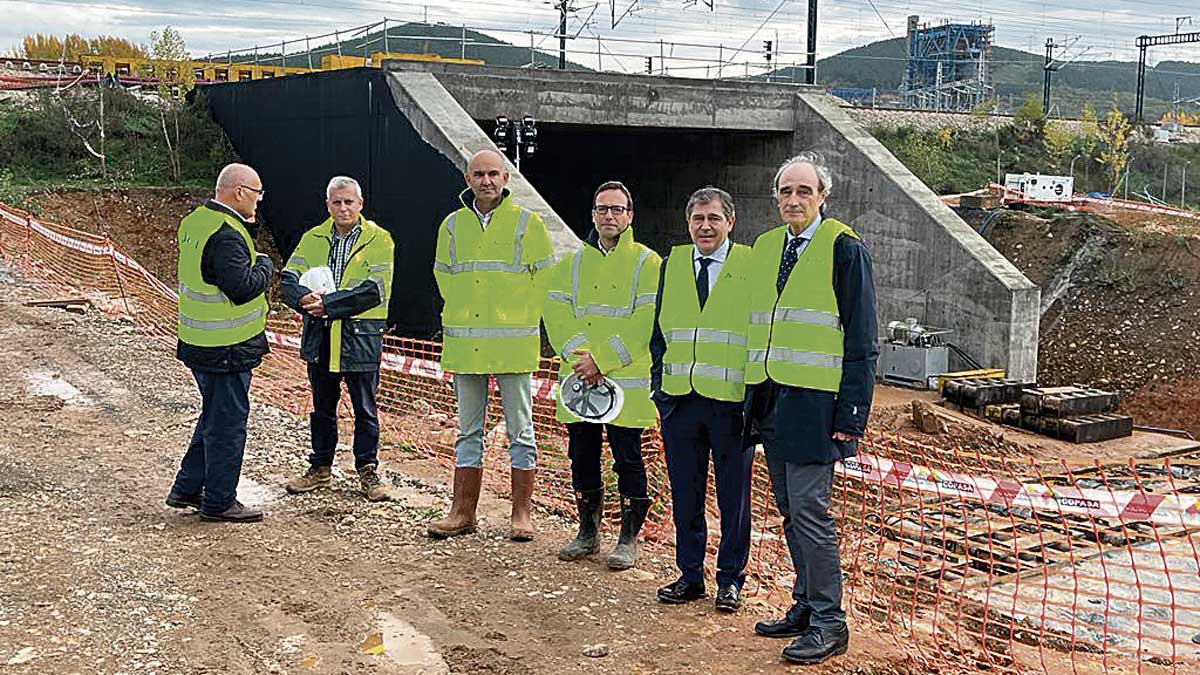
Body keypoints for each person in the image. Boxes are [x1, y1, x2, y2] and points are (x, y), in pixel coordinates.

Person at [744, 152, 878, 665]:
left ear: (823, 196)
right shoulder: (767, 247)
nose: (793, 200)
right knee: (788, 510)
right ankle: (803, 605)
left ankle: (830, 621)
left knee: (810, 512)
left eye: (804, 191)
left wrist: (851, 417)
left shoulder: (844, 248)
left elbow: (862, 340)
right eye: (785, 191)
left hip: (817, 407)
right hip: (773, 400)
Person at [427, 149, 555, 542]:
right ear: (468, 179)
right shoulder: (452, 226)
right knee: (468, 431)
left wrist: (515, 315)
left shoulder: (527, 224)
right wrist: (467, 312)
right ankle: (462, 511)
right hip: (467, 345)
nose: (486, 181)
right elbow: (444, 275)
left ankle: (521, 513)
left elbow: (545, 279)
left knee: (521, 430)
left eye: (493, 174)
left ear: (505, 178)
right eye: (479, 174)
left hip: (512, 344)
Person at [543, 181, 660, 570]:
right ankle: (588, 533)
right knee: (582, 456)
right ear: (593, 214)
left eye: (617, 209)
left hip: (623, 384)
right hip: (581, 384)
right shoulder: (570, 265)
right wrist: (583, 360)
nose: (609, 216)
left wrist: (603, 361)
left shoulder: (647, 264)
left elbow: (646, 322)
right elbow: (556, 316)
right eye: (602, 209)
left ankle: (627, 538)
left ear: (629, 216)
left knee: (627, 458)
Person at [649, 186, 753, 611]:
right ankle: (690, 575)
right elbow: (659, 331)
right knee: (685, 495)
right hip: (680, 401)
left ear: (730, 222)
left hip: (730, 403)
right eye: (697, 219)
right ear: (687, 223)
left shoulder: (750, 264)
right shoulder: (672, 263)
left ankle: (730, 580)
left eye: (713, 218)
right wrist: (660, 388)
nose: (705, 226)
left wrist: (754, 398)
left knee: (734, 497)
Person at [167, 163, 274, 523]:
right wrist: (265, 266)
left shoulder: (196, 221)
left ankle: (188, 487)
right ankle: (219, 501)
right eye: (257, 193)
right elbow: (242, 288)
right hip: (226, 347)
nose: (260, 201)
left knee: (215, 415)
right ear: (240, 191)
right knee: (228, 423)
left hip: (199, 342)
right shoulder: (227, 234)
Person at [280, 176, 395, 502]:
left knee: (365, 409)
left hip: (360, 338)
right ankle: (320, 469)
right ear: (328, 205)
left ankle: (368, 470)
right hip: (321, 337)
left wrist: (328, 305)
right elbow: (289, 276)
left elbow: (374, 290)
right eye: (336, 202)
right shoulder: (313, 237)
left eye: (349, 202)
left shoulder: (380, 240)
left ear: (360, 204)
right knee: (322, 407)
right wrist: (302, 298)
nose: (343, 208)